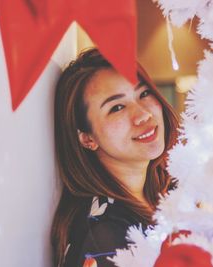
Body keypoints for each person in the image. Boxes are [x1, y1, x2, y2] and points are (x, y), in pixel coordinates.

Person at [51, 48, 179, 267]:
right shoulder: (104, 239)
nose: (143, 114)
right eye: (117, 107)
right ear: (87, 138)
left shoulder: (169, 189)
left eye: (144, 94)